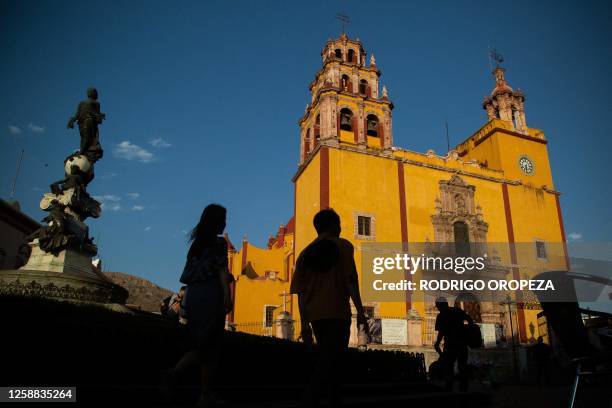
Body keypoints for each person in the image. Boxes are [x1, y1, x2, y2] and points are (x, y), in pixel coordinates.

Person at [290, 208, 366, 407]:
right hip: (338, 312)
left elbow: (300, 293)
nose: (341, 228)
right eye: (339, 224)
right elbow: (351, 281)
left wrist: (305, 324)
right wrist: (361, 311)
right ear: (332, 225)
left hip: (315, 315)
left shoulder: (304, 254)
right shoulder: (344, 246)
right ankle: (311, 397)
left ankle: (331, 398)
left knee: (328, 356)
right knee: (332, 359)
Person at [161, 204, 233, 407]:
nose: (225, 223)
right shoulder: (219, 244)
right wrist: (227, 295)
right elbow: (220, 270)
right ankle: (179, 378)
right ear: (216, 222)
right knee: (210, 345)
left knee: (203, 344)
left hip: (193, 295)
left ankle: (204, 393)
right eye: (223, 219)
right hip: (210, 294)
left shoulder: (196, 245)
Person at [434, 297, 473, 392]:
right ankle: (464, 389)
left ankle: (449, 389)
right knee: (462, 367)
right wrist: (467, 331)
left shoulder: (441, 316)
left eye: (438, 306)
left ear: (441, 305)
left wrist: (437, 343)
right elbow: (469, 319)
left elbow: (441, 332)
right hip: (462, 344)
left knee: (449, 368)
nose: (438, 308)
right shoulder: (458, 310)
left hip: (450, 345)